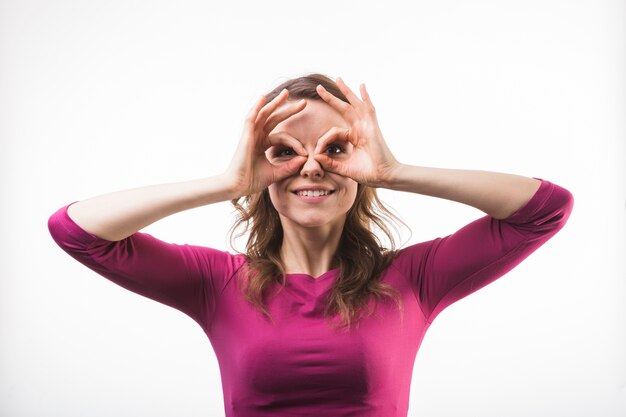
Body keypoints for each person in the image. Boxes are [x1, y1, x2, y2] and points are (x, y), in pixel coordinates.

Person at [48, 73, 574, 417]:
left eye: (336, 148)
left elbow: (543, 209)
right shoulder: (217, 283)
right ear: (260, 170)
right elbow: (76, 231)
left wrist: (393, 170)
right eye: (284, 152)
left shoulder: (414, 279)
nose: (312, 166)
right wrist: (227, 182)